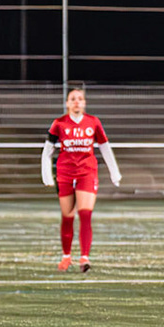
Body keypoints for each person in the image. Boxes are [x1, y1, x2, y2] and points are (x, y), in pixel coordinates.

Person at [41, 84, 123, 272]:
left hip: (87, 172)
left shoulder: (93, 122)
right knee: (67, 216)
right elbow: (47, 151)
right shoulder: (59, 123)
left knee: (85, 214)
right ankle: (66, 257)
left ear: (84, 103)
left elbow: (105, 147)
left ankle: (84, 258)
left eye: (80, 99)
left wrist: (114, 172)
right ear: (67, 103)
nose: (76, 102)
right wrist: (47, 176)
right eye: (73, 99)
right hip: (65, 173)